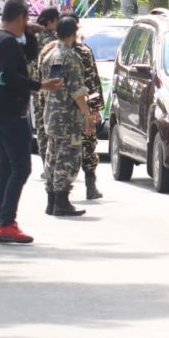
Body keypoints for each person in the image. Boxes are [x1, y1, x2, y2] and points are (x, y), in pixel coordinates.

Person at [0, 0, 61, 244]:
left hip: (2, 111)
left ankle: (1, 219)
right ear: (19, 17)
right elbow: (12, 76)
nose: (26, 25)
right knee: (21, 168)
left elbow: (29, 55)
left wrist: (29, 35)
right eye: (25, 21)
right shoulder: (7, 42)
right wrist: (40, 85)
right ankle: (6, 222)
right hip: (10, 113)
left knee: (6, 167)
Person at [39, 16, 95, 218]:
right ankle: (61, 201)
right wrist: (87, 116)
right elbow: (76, 91)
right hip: (67, 119)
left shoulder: (51, 54)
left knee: (53, 156)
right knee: (68, 158)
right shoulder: (70, 57)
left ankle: (52, 200)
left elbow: (56, 83)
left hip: (52, 115)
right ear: (73, 33)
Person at [67, 13, 105, 200]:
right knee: (88, 146)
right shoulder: (83, 51)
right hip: (82, 107)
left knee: (63, 148)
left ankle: (60, 193)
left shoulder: (52, 50)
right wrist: (94, 108)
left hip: (61, 110)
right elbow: (92, 81)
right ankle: (90, 185)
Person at [31, 8, 60, 170]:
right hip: (52, 88)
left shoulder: (33, 38)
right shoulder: (54, 41)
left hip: (37, 88)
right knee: (53, 127)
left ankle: (46, 165)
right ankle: (54, 165)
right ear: (50, 22)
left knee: (42, 127)